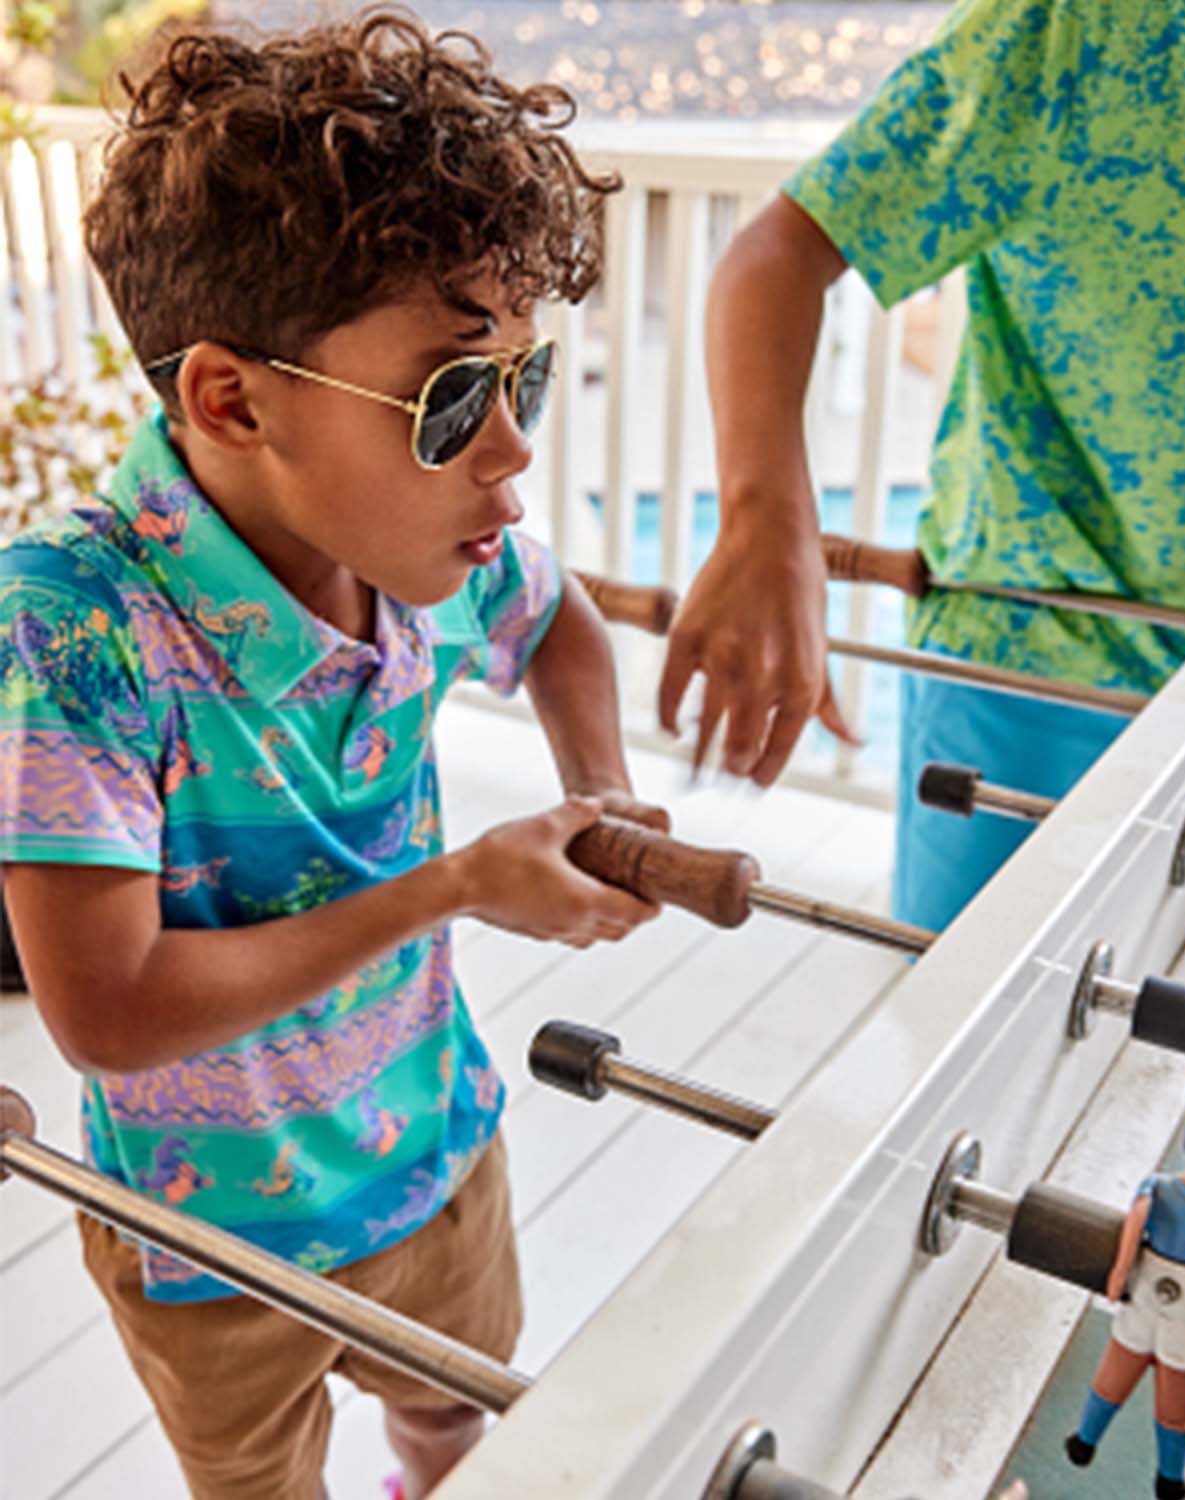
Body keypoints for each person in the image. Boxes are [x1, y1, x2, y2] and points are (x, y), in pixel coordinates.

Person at [0, 11, 666, 1499]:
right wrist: (456, 891)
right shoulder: (75, 625)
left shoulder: (434, 545)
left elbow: (564, 628)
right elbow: (106, 1011)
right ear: (231, 400)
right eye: (448, 399)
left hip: (433, 1143)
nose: (511, 453)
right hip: (206, 1233)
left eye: (526, 381)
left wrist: (598, 791)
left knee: (452, 1417)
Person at [665, 0, 1185, 930]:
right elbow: (775, 259)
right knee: (971, 1037)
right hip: (1031, 670)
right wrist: (765, 521)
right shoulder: (1071, 29)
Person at [1065, 1112, 1185, 1498]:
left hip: (1144, 1297)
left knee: (1115, 1374)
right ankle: (1170, 1477)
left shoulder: (1158, 1186)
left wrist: (1120, 1272)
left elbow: (1136, 1216)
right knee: (1175, 1404)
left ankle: (1084, 1440)